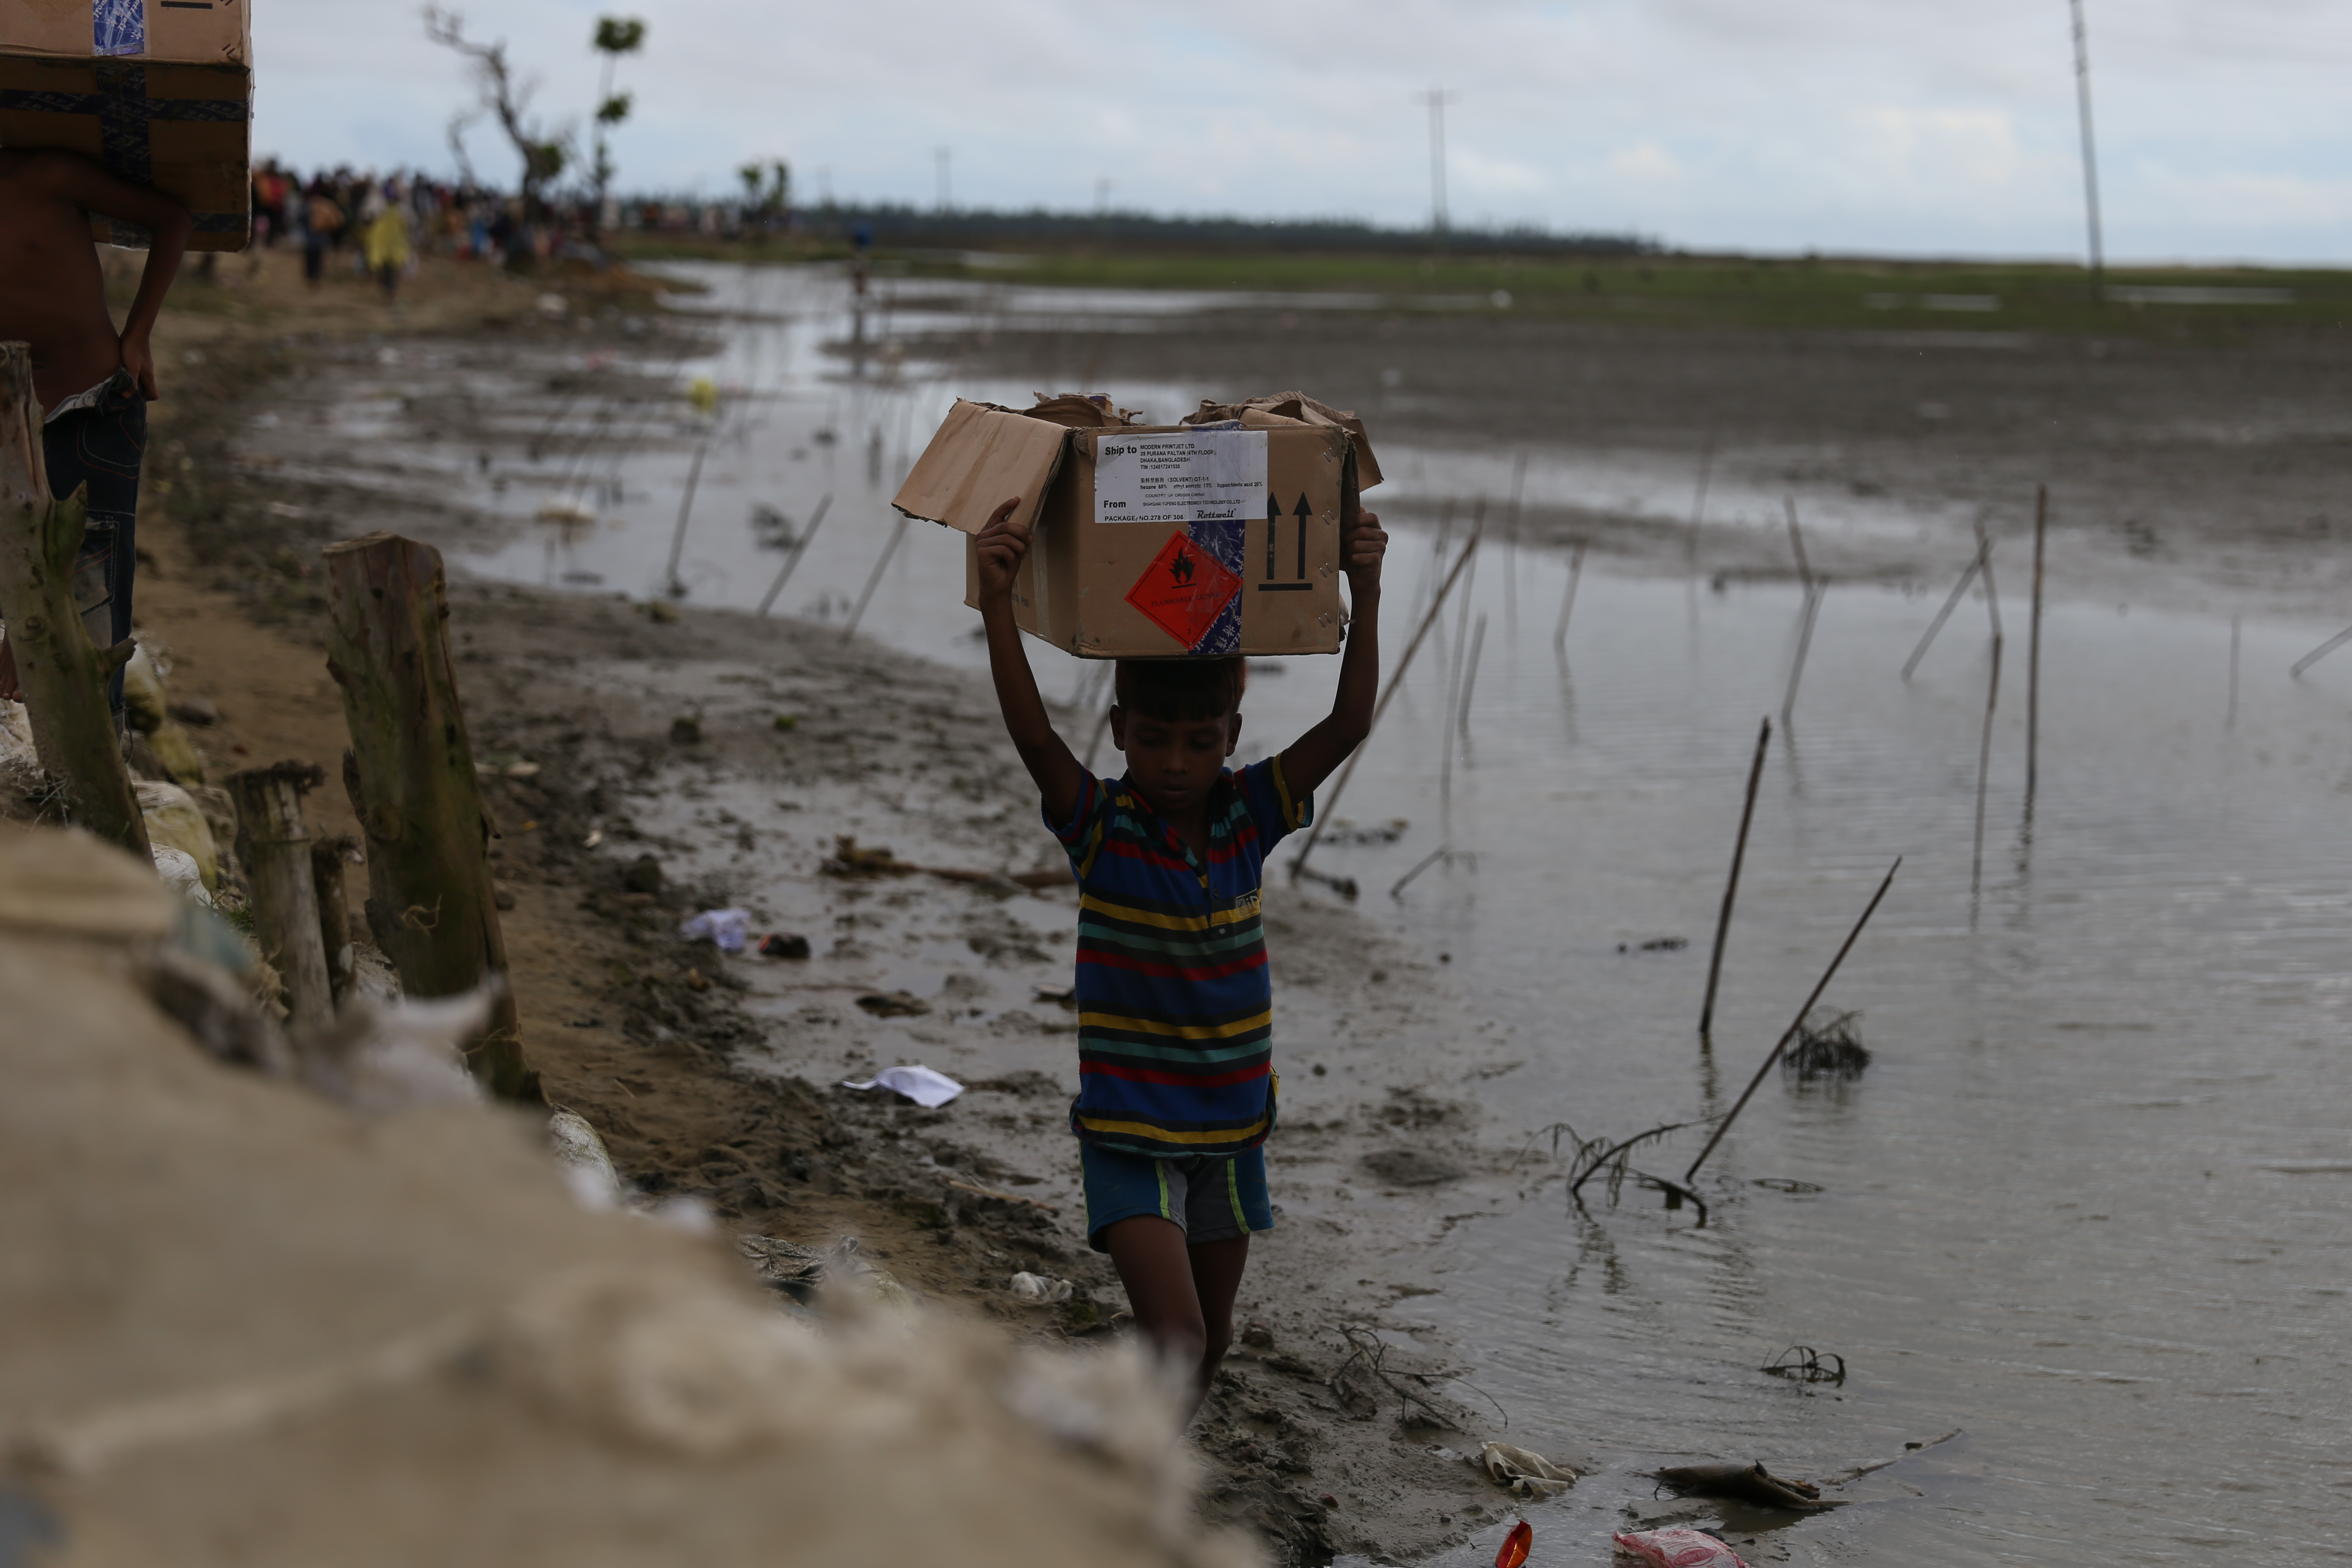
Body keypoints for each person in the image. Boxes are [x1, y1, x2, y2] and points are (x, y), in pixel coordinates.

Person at [973, 492, 1387, 1420]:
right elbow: (1034, 736)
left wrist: (1366, 582)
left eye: (1199, 743)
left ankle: (1140, 1462)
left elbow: (1351, 723)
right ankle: (1135, 1500)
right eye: (1153, 740)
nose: (1173, 762)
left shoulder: (1251, 815)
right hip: (1130, 1136)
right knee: (1180, 1337)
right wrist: (997, 602)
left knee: (1213, 1341)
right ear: (1119, 732)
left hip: (1232, 1136)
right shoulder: (1103, 827)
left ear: (1231, 741)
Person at [0, 149, 189, 714]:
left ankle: (98, 766)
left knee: (95, 591)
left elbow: (172, 218)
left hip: (94, 406)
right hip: (12, 419)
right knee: (16, 559)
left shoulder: (44, 175)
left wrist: (139, 334)